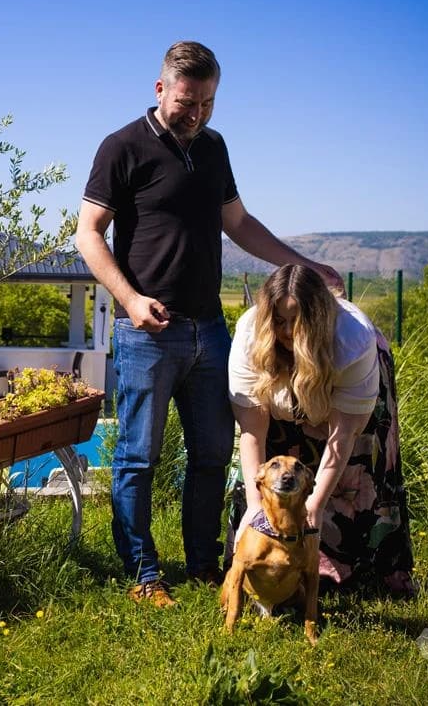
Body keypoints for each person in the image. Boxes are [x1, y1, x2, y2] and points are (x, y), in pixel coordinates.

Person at [75, 41, 342, 607]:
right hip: (146, 331)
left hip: (210, 332)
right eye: (187, 102)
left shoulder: (215, 148)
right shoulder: (122, 147)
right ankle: (144, 573)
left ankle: (200, 565)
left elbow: (239, 223)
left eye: (208, 104)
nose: (196, 114)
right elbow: (88, 233)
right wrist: (130, 299)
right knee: (137, 458)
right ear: (160, 89)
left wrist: (301, 265)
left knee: (212, 454)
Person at [227, 263, 415, 594]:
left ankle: (363, 570)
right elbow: (253, 432)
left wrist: (314, 505)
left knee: (355, 467)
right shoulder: (249, 335)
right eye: (278, 321)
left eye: (295, 322)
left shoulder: (352, 340)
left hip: (343, 389)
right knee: (277, 455)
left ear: (316, 318)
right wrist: (255, 506)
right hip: (282, 391)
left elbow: (343, 437)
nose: (285, 331)